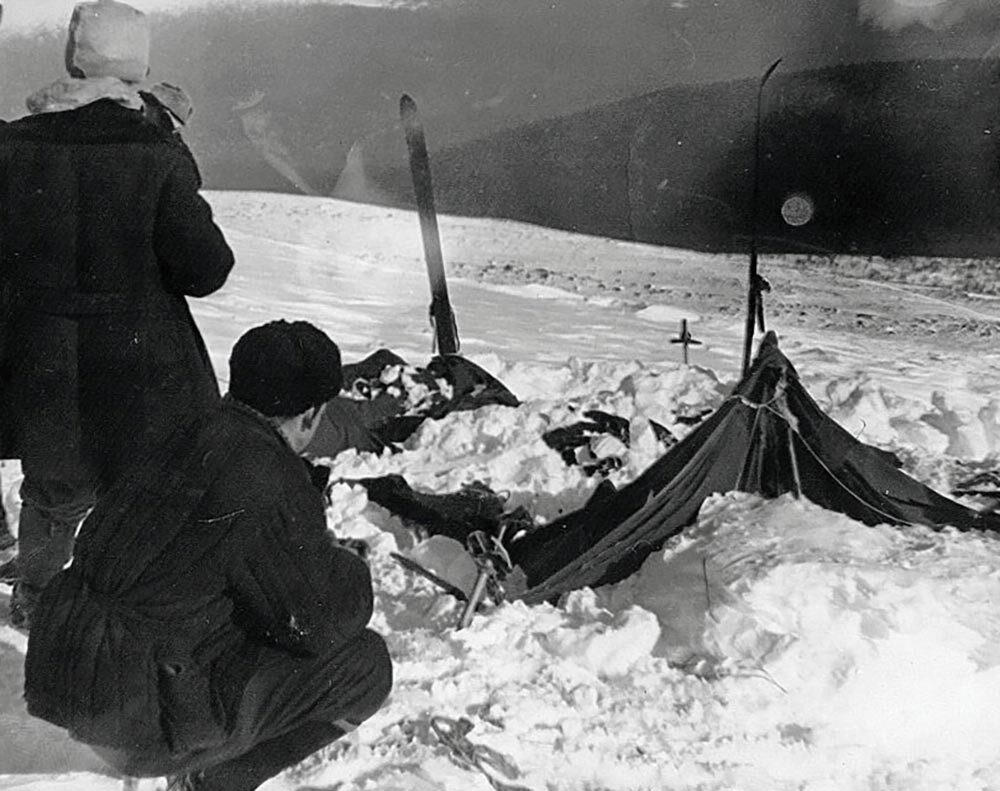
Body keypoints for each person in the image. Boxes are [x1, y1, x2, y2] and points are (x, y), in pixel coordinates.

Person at [24, 320, 393, 791]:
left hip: (63, 674)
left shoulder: (176, 429)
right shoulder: (267, 473)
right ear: (310, 415)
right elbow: (317, 624)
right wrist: (348, 565)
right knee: (364, 666)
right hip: (135, 721)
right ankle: (215, 782)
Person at [0, 0, 234, 627]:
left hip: (40, 357)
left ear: (71, 58)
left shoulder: (10, 146)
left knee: (52, 490)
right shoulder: (154, 149)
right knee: (142, 489)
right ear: (141, 65)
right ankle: (131, 606)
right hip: (140, 361)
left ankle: (38, 601)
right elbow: (206, 270)